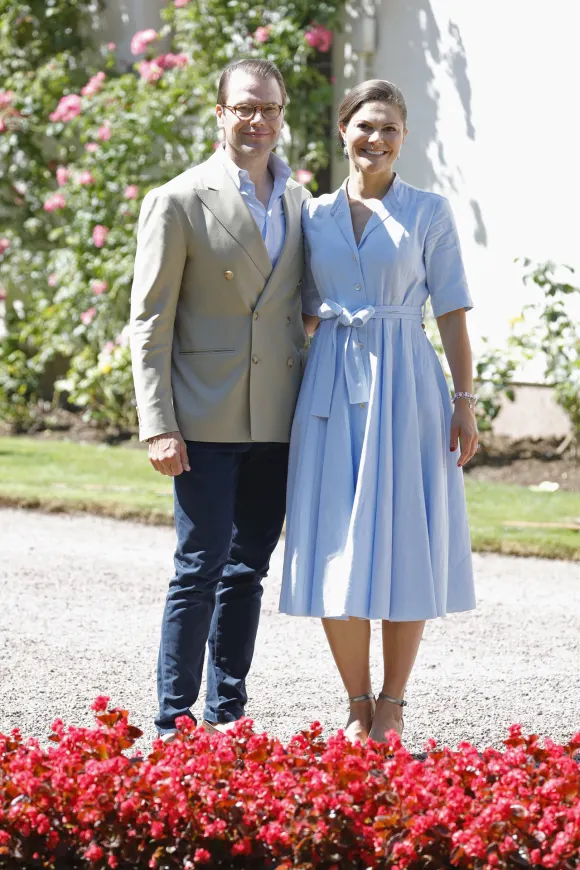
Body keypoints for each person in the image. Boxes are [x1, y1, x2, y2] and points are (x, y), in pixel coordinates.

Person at [279, 79, 478, 744]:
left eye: (389, 128)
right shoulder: (312, 215)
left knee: (403, 539)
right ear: (343, 131)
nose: (376, 138)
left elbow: (451, 310)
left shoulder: (429, 211)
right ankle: (356, 703)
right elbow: (301, 311)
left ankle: (393, 705)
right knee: (333, 540)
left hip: (407, 388)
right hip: (330, 387)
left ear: (404, 137)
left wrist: (465, 401)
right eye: (365, 125)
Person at [130, 59, 311, 739]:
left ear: (282, 113)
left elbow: (302, 305)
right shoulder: (177, 200)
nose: (257, 120)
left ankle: (226, 717)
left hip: (277, 417)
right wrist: (158, 424)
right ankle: (173, 723)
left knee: (248, 572)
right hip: (202, 416)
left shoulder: (301, 202)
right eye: (244, 107)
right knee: (198, 568)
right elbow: (150, 321)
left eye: (269, 108)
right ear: (220, 114)